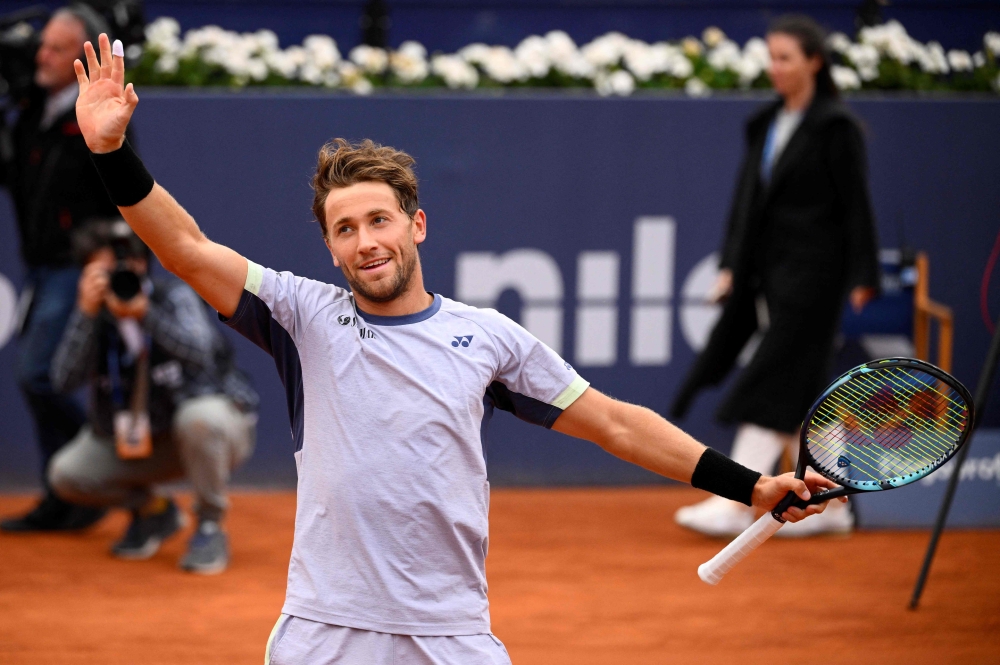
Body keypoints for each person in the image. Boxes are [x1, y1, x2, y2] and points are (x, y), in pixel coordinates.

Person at [74, 34, 843, 663]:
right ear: (331, 249)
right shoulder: (300, 315)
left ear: (417, 224)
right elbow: (184, 247)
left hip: (451, 635)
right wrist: (112, 153)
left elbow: (614, 423)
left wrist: (751, 485)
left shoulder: (489, 338)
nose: (365, 241)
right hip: (326, 632)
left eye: (379, 219)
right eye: (345, 229)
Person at [670, 15, 880, 538]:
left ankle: (731, 499)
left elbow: (857, 206)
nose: (775, 67)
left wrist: (863, 273)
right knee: (805, 386)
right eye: (771, 57)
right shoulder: (765, 123)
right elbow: (747, 204)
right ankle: (834, 508)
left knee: (773, 376)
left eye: (786, 57)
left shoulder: (835, 127)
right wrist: (732, 267)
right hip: (768, 274)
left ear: (814, 62)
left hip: (816, 276)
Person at [46, 219, 258, 574]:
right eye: (103, 271)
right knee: (66, 474)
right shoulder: (91, 312)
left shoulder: (173, 297)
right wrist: (85, 314)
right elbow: (62, 381)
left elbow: (201, 353)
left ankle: (209, 525)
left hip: (211, 433)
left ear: (141, 263)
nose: (116, 277)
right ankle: (154, 511)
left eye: (123, 267)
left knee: (200, 419)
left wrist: (145, 315)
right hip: (144, 441)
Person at [0, 5, 127, 532]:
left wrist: (109, 259)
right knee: (38, 379)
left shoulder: (97, 117)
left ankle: (103, 477)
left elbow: (123, 193)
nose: (41, 55)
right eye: (41, 46)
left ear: (81, 58)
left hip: (74, 268)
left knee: (40, 376)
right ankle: (70, 492)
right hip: (40, 266)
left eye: (54, 48)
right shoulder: (31, 109)